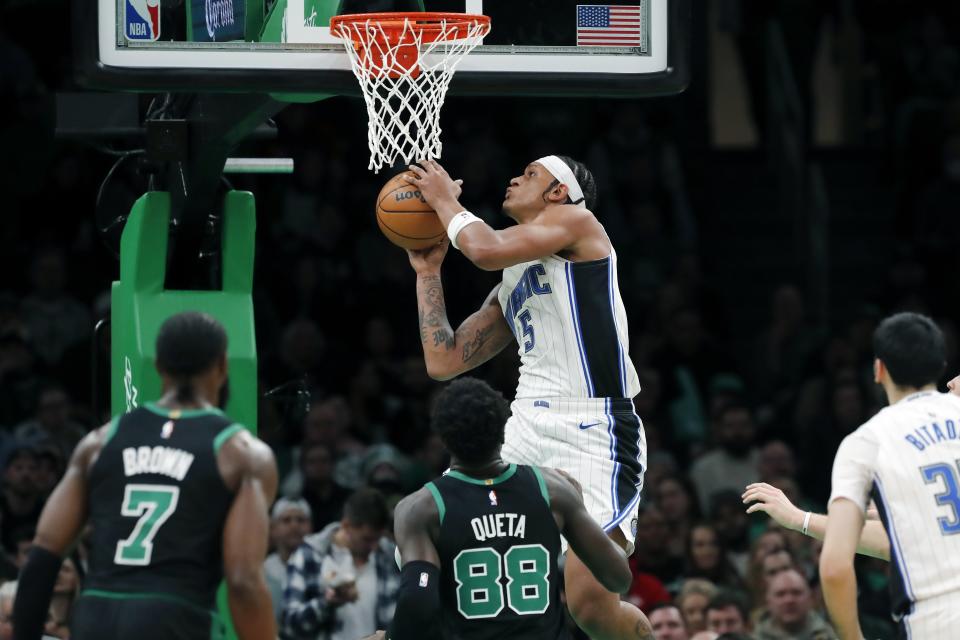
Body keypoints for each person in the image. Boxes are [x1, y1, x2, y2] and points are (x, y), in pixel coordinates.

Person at [406, 157, 650, 639]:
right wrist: (427, 271)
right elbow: (444, 360)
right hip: (521, 430)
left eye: (532, 174)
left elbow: (482, 247)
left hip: (592, 425)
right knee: (438, 536)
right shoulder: (511, 280)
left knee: (590, 604)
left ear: (560, 192)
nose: (516, 177)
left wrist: (443, 198)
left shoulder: (579, 224)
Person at [13, 311, 278, 640]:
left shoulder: (99, 442)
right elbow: (242, 579)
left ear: (158, 366)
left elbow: (43, 554)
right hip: (174, 615)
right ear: (223, 365)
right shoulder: (241, 453)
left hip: (96, 615)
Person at [386, 377, 633, 640]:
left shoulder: (421, 508)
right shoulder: (553, 490)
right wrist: (579, 514)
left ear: (443, 438)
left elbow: (418, 601)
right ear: (505, 429)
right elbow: (619, 578)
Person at [820, 312, 960, 639]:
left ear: (879, 370)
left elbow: (835, 567)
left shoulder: (864, 442)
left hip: (936, 621)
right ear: (941, 365)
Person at [281, 488, 399, 640]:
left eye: (378, 539)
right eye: (367, 539)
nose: (375, 547)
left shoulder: (387, 555)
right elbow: (289, 625)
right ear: (346, 525)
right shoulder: (308, 556)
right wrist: (327, 603)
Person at [265, 498, 312, 623]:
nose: (294, 525)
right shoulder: (262, 571)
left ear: (310, 527)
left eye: (301, 520)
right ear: (273, 528)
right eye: (286, 520)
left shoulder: (322, 568)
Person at [754, 569, 836, 640]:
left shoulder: (830, 635)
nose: (789, 600)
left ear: (810, 598)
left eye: (796, 593)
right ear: (768, 601)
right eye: (780, 594)